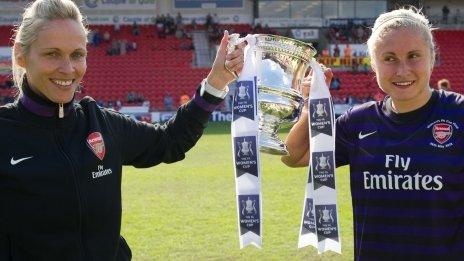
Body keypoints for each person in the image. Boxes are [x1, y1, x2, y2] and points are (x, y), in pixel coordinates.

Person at [1, 0, 245, 259]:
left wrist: (216, 82)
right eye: (52, 54)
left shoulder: (101, 124)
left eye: (77, 54)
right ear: (20, 54)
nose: (68, 68)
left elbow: (170, 140)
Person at [282, 7, 464, 260]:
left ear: (432, 57)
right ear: (373, 64)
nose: (402, 70)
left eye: (414, 56)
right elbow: (294, 156)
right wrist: (309, 107)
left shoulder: (459, 115)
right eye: (389, 58)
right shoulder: (358, 122)